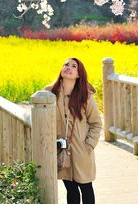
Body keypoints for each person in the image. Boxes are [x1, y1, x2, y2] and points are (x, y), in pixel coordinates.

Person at [44, 57, 102, 204]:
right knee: (70, 189)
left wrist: (88, 145)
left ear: (79, 74)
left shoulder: (85, 96)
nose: (68, 67)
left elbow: (96, 123)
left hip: (81, 149)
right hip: (60, 150)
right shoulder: (49, 93)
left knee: (86, 187)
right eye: (65, 64)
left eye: (73, 66)